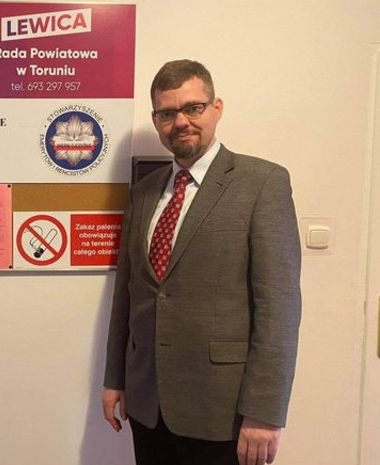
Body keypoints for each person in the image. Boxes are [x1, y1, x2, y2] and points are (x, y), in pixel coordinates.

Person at [102, 60, 301, 465]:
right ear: (156, 120)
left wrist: (264, 411)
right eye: (167, 113)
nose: (180, 122)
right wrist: (114, 379)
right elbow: (127, 296)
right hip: (147, 404)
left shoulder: (262, 183)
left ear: (216, 108)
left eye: (193, 108)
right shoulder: (143, 193)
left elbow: (279, 307)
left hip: (223, 410)